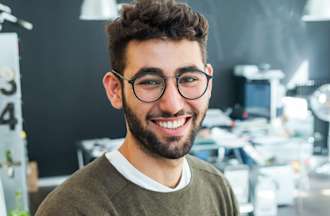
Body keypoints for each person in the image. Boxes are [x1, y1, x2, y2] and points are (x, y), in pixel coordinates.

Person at [36, 0, 239, 215]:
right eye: (150, 81)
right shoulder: (71, 209)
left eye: (189, 79)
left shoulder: (217, 187)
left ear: (208, 83)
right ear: (115, 90)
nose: (173, 105)